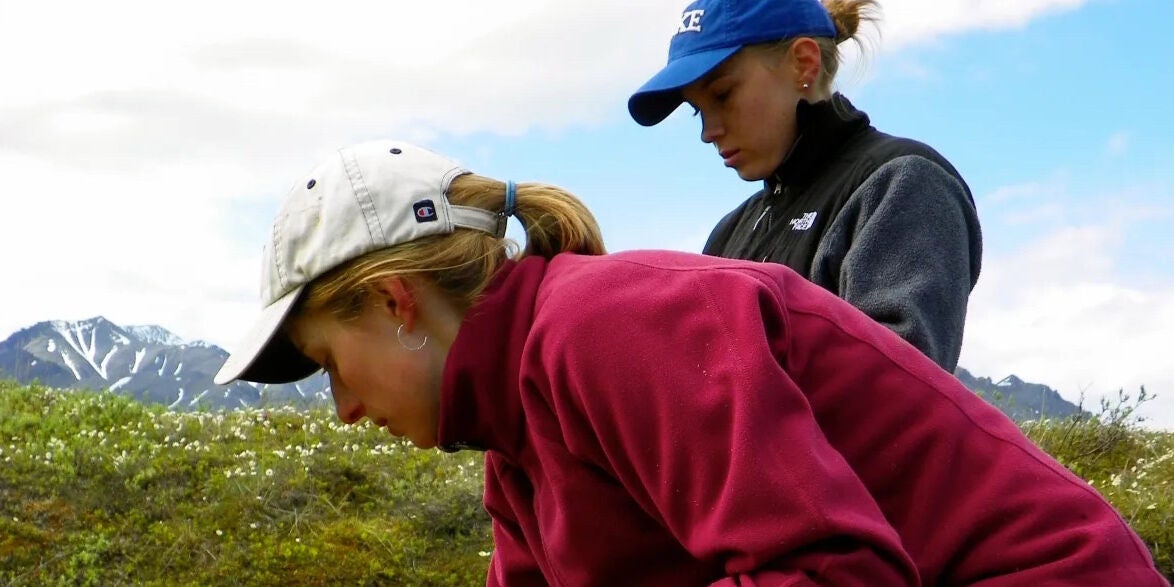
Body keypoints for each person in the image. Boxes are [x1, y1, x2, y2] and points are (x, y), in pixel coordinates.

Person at [215, 140, 1165, 586]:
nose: (340, 408)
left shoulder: (608, 330)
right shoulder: (516, 453)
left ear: (394, 302)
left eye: (329, 364)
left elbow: (836, 574)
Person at [628, 0, 982, 373]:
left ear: (804, 63)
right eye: (697, 110)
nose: (707, 132)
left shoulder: (901, 182)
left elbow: (897, 386)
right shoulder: (729, 232)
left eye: (722, 95)